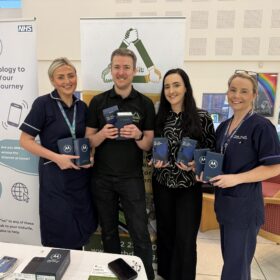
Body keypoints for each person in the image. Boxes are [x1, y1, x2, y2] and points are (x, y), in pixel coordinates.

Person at [201, 71, 280, 280]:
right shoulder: (224, 127)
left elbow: (275, 167)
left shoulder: (262, 127)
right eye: (233, 90)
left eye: (244, 91)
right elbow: (218, 162)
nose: (237, 95)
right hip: (225, 205)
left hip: (244, 209)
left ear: (254, 95)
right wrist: (203, 173)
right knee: (232, 263)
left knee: (235, 269)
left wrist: (236, 178)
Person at [86, 48, 155, 280]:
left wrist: (137, 135)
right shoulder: (97, 102)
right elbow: (88, 141)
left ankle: (146, 276)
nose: (121, 72)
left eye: (126, 67)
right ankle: (117, 276)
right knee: (108, 232)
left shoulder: (144, 104)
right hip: (102, 178)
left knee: (140, 233)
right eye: (117, 67)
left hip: (132, 178)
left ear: (134, 71)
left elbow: (147, 145)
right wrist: (102, 135)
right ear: (111, 69)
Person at [19, 57, 97, 250]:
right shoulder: (43, 104)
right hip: (55, 179)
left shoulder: (82, 107)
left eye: (71, 75)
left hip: (80, 179)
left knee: (81, 231)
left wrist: (91, 155)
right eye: (60, 77)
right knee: (60, 232)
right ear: (53, 81)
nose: (67, 81)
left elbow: (87, 140)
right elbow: (25, 140)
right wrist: (56, 158)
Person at [151, 68, 216, 280]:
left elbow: (211, 153)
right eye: (167, 86)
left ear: (186, 87)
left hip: (189, 187)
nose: (171, 90)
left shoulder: (202, 117)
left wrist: (195, 164)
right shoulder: (159, 117)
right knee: (166, 235)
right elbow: (149, 150)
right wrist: (152, 160)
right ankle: (166, 275)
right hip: (163, 186)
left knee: (186, 239)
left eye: (176, 85)